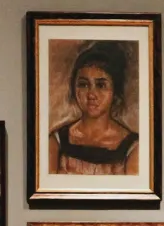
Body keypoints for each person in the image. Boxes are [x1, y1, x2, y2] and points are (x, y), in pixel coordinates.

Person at [48, 41, 138, 174]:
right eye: (83, 85)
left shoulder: (132, 148)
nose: (91, 94)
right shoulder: (57, 142)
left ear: (114, 92)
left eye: (101, 85)